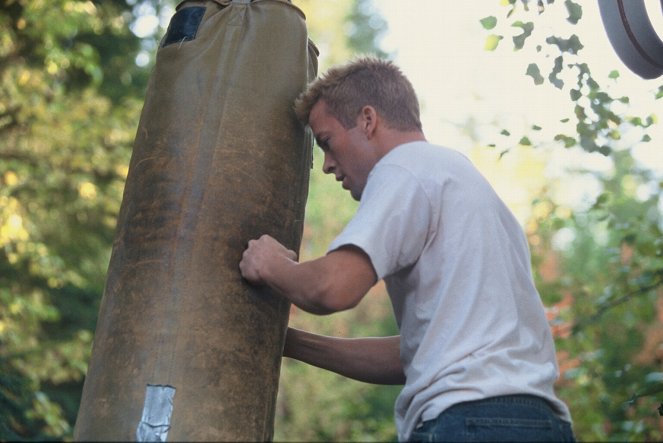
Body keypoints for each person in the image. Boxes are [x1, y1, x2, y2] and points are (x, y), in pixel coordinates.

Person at [239, 57, 575, 442]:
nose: (328, 166)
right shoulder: (466, 186)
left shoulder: (404, 167)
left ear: (368, 120)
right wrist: (289, 343)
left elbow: (333, 287)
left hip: (469, 424)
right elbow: (417, 355)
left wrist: (269, 265)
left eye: (327, 142)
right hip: (540, 425)